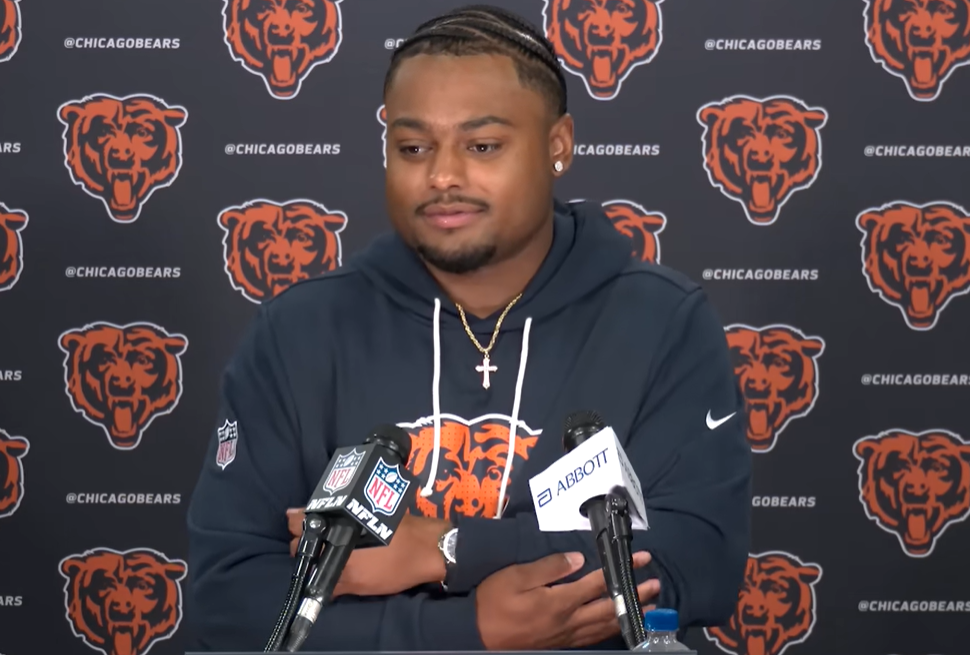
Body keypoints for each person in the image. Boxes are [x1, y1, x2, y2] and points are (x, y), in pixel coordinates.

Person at [185, 4, 751, 652]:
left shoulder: (661, 322)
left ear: (558, 146)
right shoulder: (298, 332)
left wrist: (446, 549)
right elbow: (229, 600)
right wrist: (467, 629)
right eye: (413, 147)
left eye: (482, 146)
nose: (443, 176)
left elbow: (696, 560)